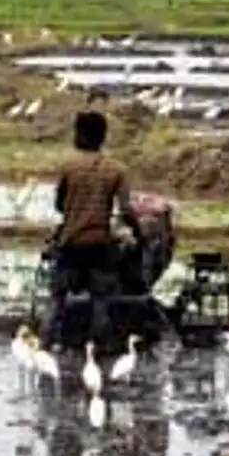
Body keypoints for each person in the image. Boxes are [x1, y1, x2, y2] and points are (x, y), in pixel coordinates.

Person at [49, 110, 138, 345]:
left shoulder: (68, 167)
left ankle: (48, 342)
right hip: (99, 244)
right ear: (103, 136)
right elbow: (126, 210)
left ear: (78, 135)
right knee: (101, 301)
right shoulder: (117, 169)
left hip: (70, 243)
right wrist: (135, 231)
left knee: (57, 300)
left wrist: (75, 210)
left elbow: (59, 205)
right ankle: (99, 347)